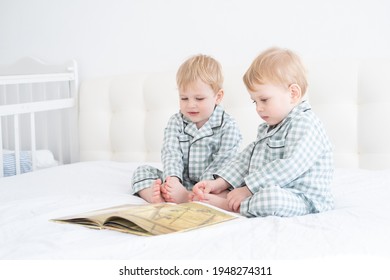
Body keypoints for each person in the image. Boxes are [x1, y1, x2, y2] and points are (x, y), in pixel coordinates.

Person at [192, 47, 334, 217]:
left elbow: (289, 166)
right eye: (255, 102)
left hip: (304, 199)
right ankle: (228, 195)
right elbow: (246, 160)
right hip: (275, 186)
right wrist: (220, 183)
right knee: (248, 187)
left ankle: (231, 205)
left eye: (264, 100)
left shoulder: (306, 125)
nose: (259, 108)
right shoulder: (270, 128)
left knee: (271, 199)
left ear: (293, 94)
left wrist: (248, 189)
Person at [131, 54, 242, 204]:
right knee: (141, 172)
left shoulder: (228, 125)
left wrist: (204, 186)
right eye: (184, 98)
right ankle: (155, 197)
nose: (190, 105)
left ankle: (194, 198)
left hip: (211, 185)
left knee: (235, 188)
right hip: (182, 182)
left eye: (199, 99)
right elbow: (171, 153)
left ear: (218, 97)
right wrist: (173, 180)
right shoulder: (176, 122)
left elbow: (224, 162)